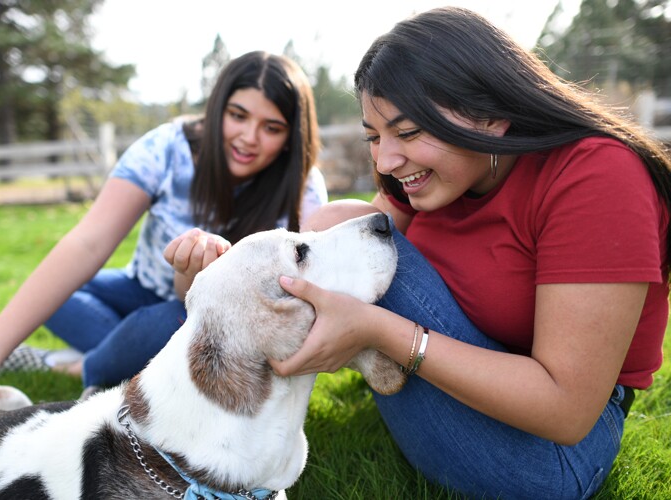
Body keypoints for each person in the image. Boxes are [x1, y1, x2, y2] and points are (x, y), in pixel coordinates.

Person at [269, 7, 671, 500]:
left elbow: (566, 412)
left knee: (368, 258)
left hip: (549, 455)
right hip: (470, 377)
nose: (386, 160)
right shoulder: (428, 177)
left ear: (491, 114)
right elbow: (344, 236)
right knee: (337, 233)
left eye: (409, 132)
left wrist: (379, 331)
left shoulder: (597, 176)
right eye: (375, 137)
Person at [0, 50, 327, 451]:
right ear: (217, 110)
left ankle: (84, 367)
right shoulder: (166, 148)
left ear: (290, 137)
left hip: (207, 322)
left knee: (166, 322)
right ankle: (122, 352)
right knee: (53, 289)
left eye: (271, 127)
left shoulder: (302, 187)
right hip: (139, 285)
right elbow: (87, 243)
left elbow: (302, 299)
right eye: (237, 115)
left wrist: (191, 285)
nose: (249, 137)